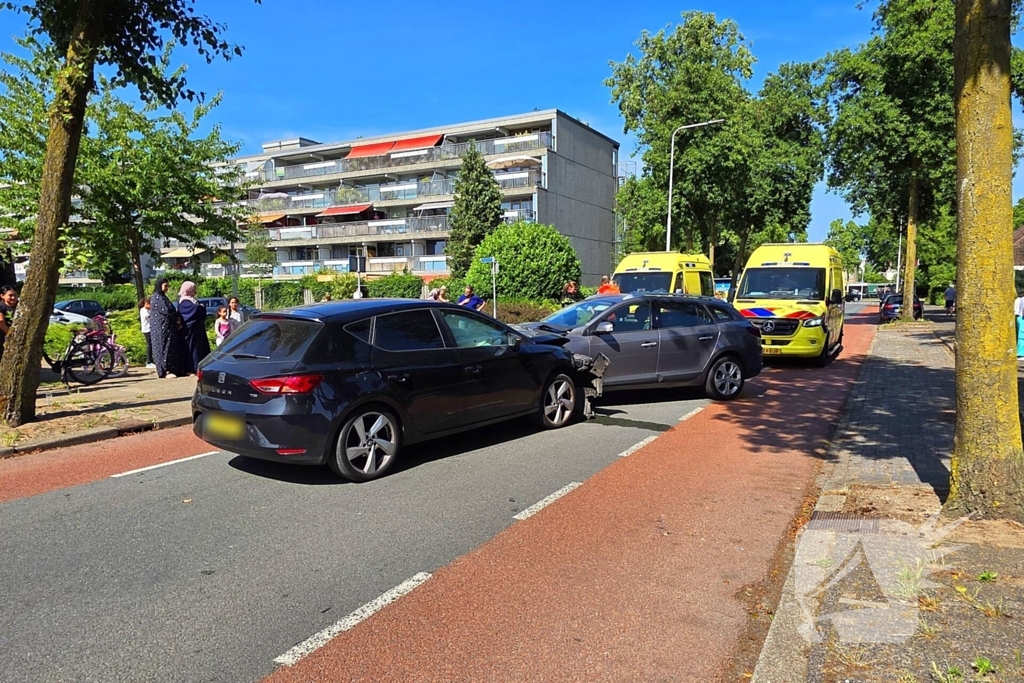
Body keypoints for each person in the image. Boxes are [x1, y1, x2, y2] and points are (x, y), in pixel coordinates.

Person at [149, 278, 186, 379]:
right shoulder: (156, 297)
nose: (167, 288)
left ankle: (173, 369)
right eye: (165, 286)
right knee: (163, 348)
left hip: (169, 328)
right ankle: (164, 370)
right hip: (161, 329)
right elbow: (165, 311)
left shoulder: (163, 297)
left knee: (169, 349)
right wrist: (175, 319)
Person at [177, 281, 211, 375]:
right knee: (192, 349)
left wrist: (200, 308)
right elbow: (195, 310)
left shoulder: (192, 299)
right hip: (190, 330)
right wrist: (200, 308)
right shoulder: (184, 301)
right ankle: (191, 368)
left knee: (200, 348)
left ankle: (199, 367)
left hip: (197, 330)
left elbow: (202, 309)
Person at [0, 285, 18, 363]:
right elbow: (1, 322)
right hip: (4, 334)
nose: (13, 298)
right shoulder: (1, 306)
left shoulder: (21, 305)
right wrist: (10, 334)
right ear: (2, 296)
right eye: (10, 295)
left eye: (15, 295)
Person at [138, 297, 155, 369]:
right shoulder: (143, 310)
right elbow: (147, 316)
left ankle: (151, 360)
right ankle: (148, 362)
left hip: (151, 329)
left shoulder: (148, 310)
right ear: (146, 304)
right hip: (147, 330)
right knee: (149, 345)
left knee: (152, 345)